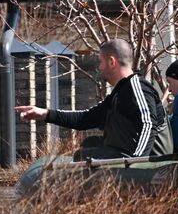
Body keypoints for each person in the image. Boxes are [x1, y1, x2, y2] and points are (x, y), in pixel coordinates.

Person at [15, 38, 168, 159]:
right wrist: (45, 114)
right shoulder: (120, 92)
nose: (99, 68)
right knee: (90, 144)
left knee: (84, 155)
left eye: (100, 62)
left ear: (112, 62)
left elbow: (148, 125)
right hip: (128, 155)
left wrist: (136, 163)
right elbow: (85, 118)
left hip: (151, 163)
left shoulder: (137, 88)